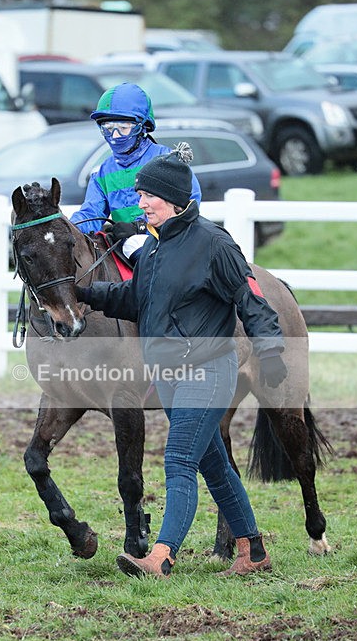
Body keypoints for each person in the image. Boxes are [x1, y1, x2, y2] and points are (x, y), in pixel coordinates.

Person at [75, 147, 288, 579]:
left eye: (147, 196)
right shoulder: (152, 250)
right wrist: (84, 292)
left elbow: (252, 300)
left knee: (178, 461)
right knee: (213, 464)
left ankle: (161, 556)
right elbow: (135, 300)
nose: (140, 204)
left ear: (172, 199)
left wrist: (271, 353)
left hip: (208, 370)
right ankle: (254, 550)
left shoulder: (214, 243)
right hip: (168, 375)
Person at [70, 82, 201, 265]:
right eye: (108, 129)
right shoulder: (101, 173)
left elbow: (189, 205)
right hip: (125, 249)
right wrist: (67, 229)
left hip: (170, 247)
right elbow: (90, 214)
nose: (115, 136)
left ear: (142, 126)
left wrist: (142, 227)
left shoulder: (166, 160)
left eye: (123, 128)